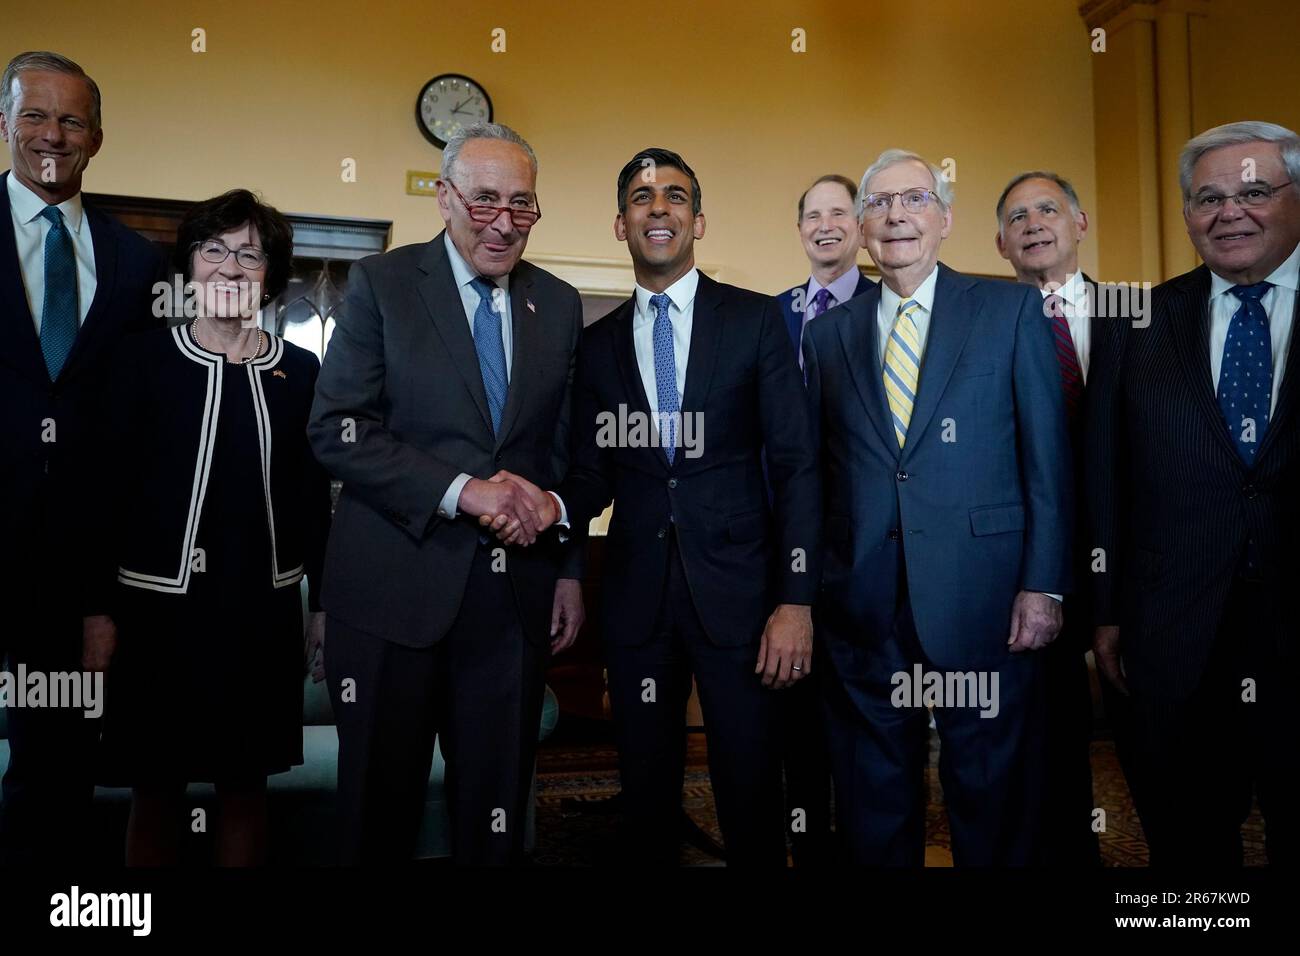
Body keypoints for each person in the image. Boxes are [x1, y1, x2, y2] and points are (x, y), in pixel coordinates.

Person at [507, 147, 820, 866]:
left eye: (674, 196)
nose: (659, 209)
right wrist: (553, 509)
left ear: (697, 220)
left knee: (749, 786)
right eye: (643, 198)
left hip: (742, 599)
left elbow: (798, 465)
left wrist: (795, 601)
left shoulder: (754, 322)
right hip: (637, 600)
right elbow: (590, 475)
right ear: (621, 225)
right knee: (646, 793)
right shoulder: (596, 346)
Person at [308, 122, 584, 865]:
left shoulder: (556, 305)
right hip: (392, 593)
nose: (503, 223)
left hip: (512, 603)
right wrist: (463, 492)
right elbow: (337, 429)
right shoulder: (383, 285)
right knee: (379, 814)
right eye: (484, 200)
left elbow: (566, 449)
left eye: (522, 205)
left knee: (495, 817)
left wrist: (562, 546)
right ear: (444, 198)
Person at [803, 148, 1072, 866]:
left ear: (945, 219)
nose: (896, 215)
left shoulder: (1010, 310)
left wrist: (1044, 585)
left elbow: (1047, 461)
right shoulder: (827, 337)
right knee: (872, 800)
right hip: (863, 605)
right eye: (880, 204)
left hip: (985, 601)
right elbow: (819, 473)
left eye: (914, 200)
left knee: (991, 798)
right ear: (861, 227)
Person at [94, 189, 330, 866]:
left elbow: (315, 499)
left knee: (245, 787)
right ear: (189, 266)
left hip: (260, 614)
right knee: (157, 788)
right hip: (154, 616)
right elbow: (104, 496)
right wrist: (97, 611)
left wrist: (327, 606)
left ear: (270, 274)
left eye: (249, 254)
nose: (229, 268)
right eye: (214, 250)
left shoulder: (302, 372)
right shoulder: (141, 362)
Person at [1087, 121, 1299, 866]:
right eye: (1208, 198)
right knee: (1188, 842)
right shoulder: (1135, 321)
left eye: (1254, 191)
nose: (1229, 212)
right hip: (1174, 637)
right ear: (1186, 217)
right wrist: (1106, 610)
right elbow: (1106, 474)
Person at [0, 50, 161, 865]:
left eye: (71, 119)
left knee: (51, 773)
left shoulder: (137, 264)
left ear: (97, 137)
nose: (52, 134)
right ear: (4, 124)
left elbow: (138, 439)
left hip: (67, 579)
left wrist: (106, 594)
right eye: (34, 115)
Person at [995, 170, 1101, 866]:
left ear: (1079, 222)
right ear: (1000, 242)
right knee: (1038, 729)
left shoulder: (1142, 315)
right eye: (1016, 217)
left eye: (1048, 210)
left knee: (1163, 741)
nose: (1033, 224)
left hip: (1130, 561)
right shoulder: (985, 322)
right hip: (1023, 563)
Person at [772, 173, 873, 865]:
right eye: (813, 214)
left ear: (861, 225)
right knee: (793, 724)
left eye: (840, 212)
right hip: (782, 549)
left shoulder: (887, 306)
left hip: (866, 549)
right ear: (800, 227)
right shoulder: (769, 315)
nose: (826, 224)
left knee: (866, 730)